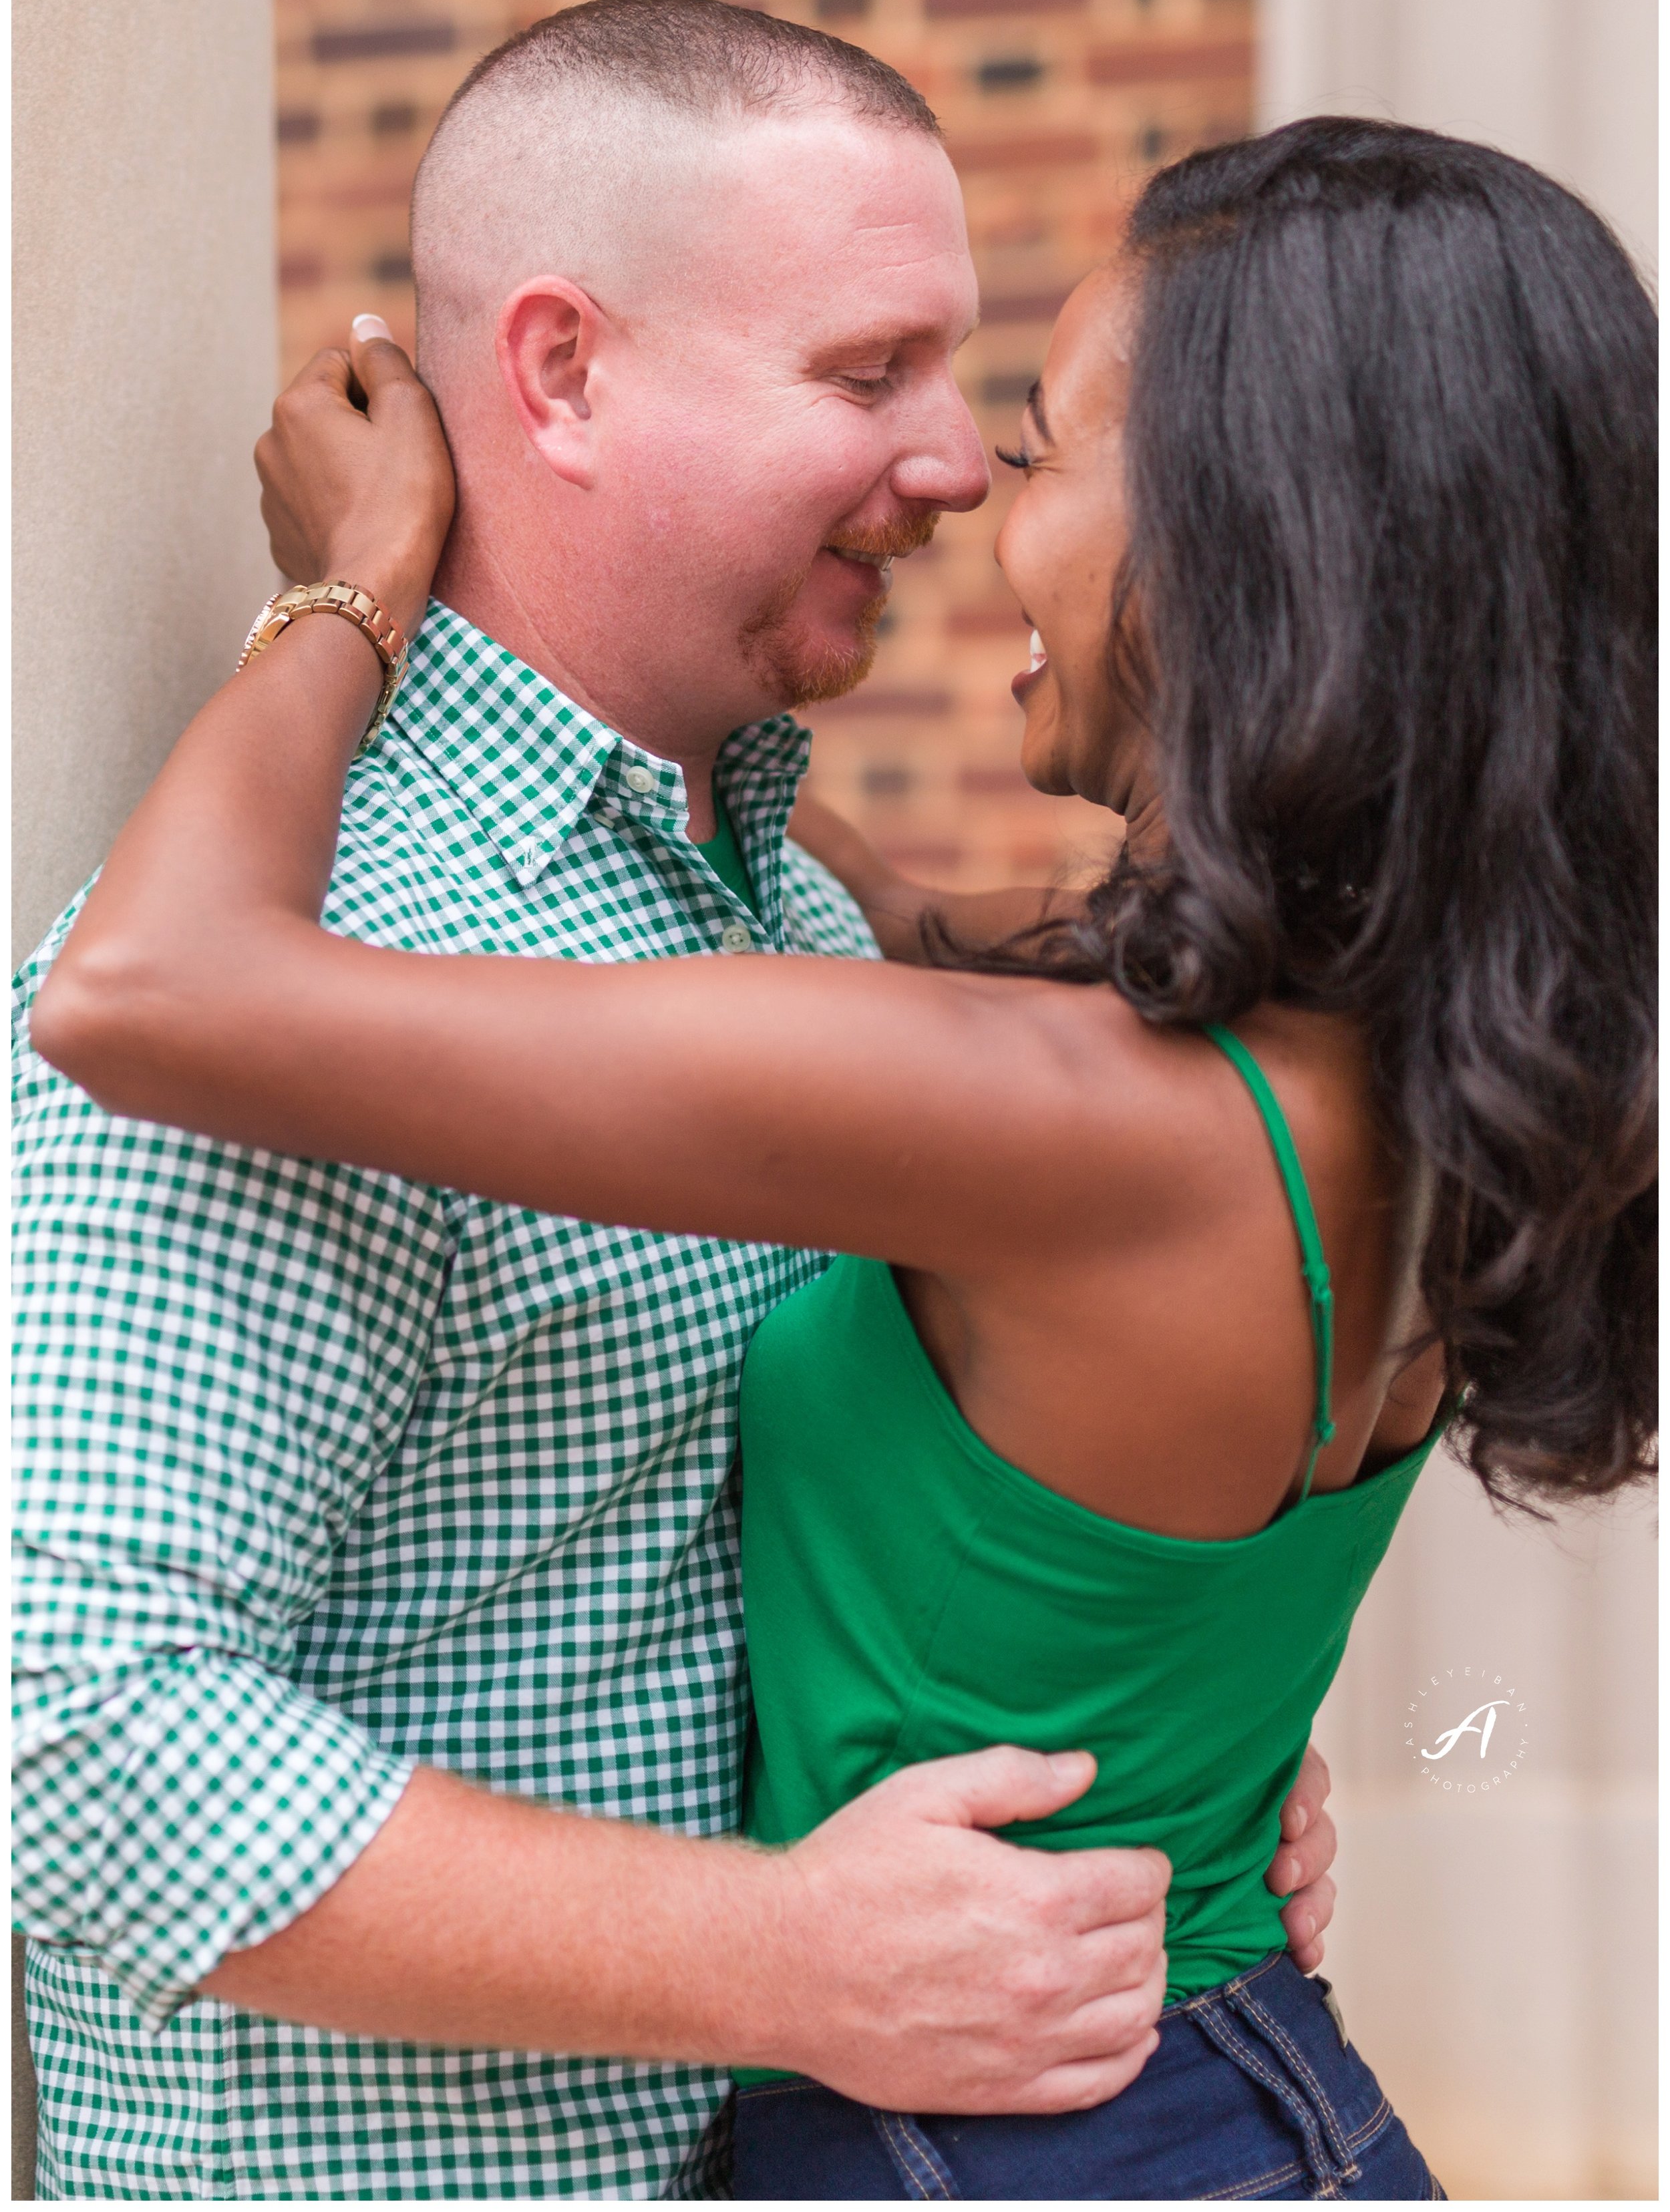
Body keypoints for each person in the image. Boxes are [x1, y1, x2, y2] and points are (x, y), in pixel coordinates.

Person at [33, 114, 1656, 2198]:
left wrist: (350, 592)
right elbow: (892, 947)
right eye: (871, 377)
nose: (975, 482)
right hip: (1238, 2087)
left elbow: (152, 996)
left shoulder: (1054, 1118)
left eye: (1044, 441)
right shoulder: (1391, 1079)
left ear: (1255, 548)